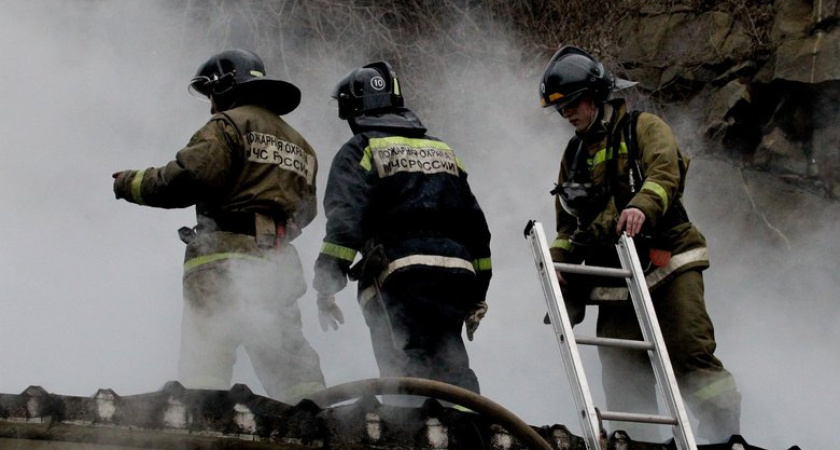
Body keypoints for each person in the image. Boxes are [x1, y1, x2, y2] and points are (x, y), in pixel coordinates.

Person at [539, 45, 741, 442]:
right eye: (561, 109)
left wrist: (642, 206)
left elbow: (665, 172)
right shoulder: (574, 154)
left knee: (689, 354)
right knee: (620, 370)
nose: (569, 115)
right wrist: (558, 263)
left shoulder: (644, 128)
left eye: (574, 104)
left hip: (667, 263)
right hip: (616, 276)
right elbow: (567, 224)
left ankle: (724, 438)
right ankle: (638, 442)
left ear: (596, 96)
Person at [112, 49, 326, 404]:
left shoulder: (228, 125)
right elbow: (306, 212)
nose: (211, 106)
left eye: (212, 95)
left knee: (206, 360)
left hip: (222, 259)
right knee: (290, 364)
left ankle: (203, 431)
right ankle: (317, 424)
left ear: (226, 87)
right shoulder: (300, 146)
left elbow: (189, 178)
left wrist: (130, 183)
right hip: (276, 263)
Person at [312, 61, 492, 395]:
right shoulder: (443, 151)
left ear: (353, 113)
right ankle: (471, 429)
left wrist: (326, 284)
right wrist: (478, 293)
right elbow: (477, 229)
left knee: (405, 368)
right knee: (453, 368)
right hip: (455, 275)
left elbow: (344, 223)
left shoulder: (360, 149)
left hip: (398, 277)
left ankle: (416, 433)